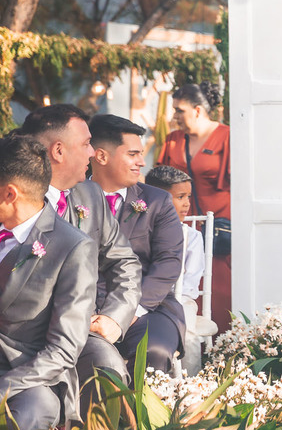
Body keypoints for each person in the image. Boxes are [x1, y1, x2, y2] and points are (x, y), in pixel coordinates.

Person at [18, 105, 141, 395]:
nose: (91, 152)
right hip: (19, 338)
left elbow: (125, 262)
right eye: (86, 144)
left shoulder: (91, 194)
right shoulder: (12, 197)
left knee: (107, 367)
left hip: (82, 331)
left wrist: (114, 317)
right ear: (58, 151)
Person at [0, 136, 97, 430]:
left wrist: (4, 385)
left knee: (36, 408)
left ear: (9, 194)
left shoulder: (71, 247)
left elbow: (64, 349)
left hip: (26, 374)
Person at [88, 115, 185, 375]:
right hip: (84, 310)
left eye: (140, 154)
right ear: (101, 156)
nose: (141, 162)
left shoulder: (157, 201)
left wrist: (128, 310)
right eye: (132, 154)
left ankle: (148, 416)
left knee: (153, 350)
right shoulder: (70, 197)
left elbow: (169, 262)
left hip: (147, 308)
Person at [159, 82, 231, 333]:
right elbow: (158, 183)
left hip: (220, 230)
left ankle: (221, 349)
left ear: (198, 110)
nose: (174, 116)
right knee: (181, 286)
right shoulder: (173, 140)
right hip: (179, 228)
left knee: (219, 291)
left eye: (180, 110)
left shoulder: (228, 137)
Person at [145, 164, 216, 376]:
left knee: (187, 335)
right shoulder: (140, 228)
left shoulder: (192, 236)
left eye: (188, 197)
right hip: (143, 296)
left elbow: (190, 283)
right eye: (180, 197)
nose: (186, 204)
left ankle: (191, 383)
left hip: (180, 299)